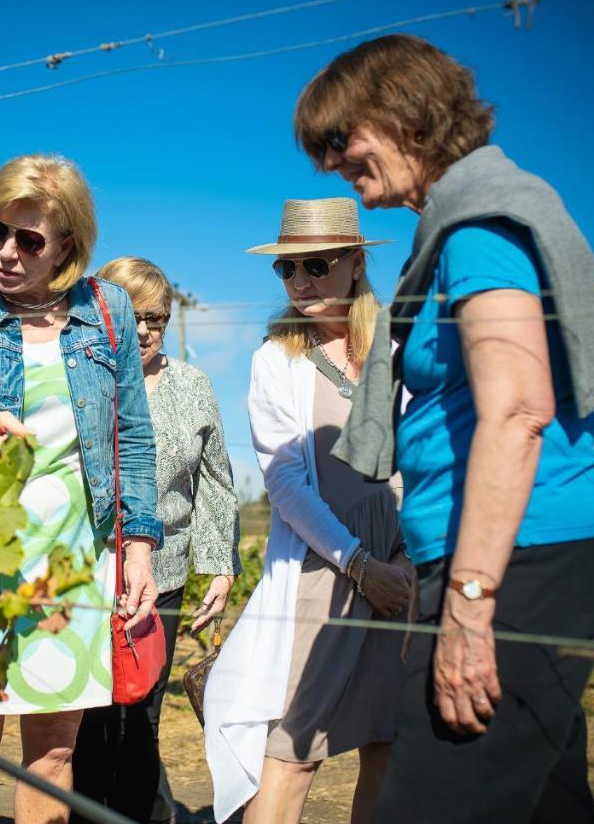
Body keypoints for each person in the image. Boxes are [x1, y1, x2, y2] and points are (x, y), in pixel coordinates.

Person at [294, 34, 594, 821]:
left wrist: (472, 603)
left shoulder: (479, 230)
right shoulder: (454, 228)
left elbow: (516, 409)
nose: (333, 164)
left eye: (342, 141)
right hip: (502, 558)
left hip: (524, 561)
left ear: (403, 113)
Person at [0, 154, 162, 824]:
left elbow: (133, 437)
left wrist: (138, 549)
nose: (6, 252)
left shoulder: (107, 310)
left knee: (53, 758)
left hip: (76, 567)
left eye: (29, 240)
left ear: (67, 246)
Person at [204, 197, 412, 824]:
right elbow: (285, 479)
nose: (300, 283)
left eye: (316, 266)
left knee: (391, 744)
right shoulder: (277, 359)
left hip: (407, 571)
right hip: (325, 568)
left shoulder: (399, 353)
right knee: (294, 748)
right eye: (287, 271)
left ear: (355, 264)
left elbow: (430, 461)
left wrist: (408, 560)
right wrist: (358, 563)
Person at [72, 256, 241, 824]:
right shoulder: (82, 380)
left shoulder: (193, 386)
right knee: (88, 715)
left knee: (142, 714)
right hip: (85, 575)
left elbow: (216, 480)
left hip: (161, 578)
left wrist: (220, 566)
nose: (144, 330)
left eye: (157, 319)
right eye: (132, 315)